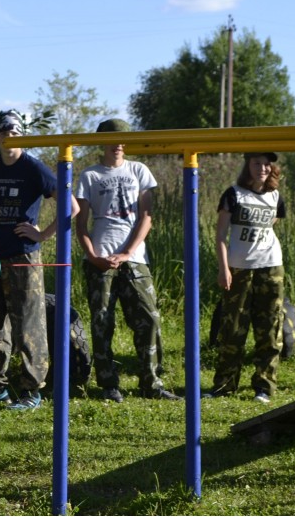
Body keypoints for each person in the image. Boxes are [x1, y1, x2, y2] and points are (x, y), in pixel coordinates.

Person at [0, 110, 73, 411]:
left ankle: (31, 390)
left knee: (28, 322)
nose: (9, 137)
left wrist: (43, 234)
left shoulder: (33, 168)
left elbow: (71, 205)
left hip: (24, 255)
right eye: (4, 132)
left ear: (23, 136)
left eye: (15, 133)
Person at [75, 118, 179, 403]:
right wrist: (92, 256)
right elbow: (80, 224)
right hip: (100, 257)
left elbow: (146, 217)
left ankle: (151, 382)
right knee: (102, 321)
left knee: (149, 317)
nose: (118, 144)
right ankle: (109, 384)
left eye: (123, 139)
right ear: (102, 142)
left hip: (135, 258)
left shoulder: (138, 170)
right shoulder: (90, 175)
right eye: (112, 139)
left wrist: (127, 252)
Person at [206, 151, 287, 403]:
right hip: (239, 269)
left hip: (271, 267)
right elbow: (221, 235)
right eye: (256, 163)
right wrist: (224, 268)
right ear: (248, 166)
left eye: (266, 164)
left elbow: (271, 224)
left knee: (270, 328)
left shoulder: (275, 196)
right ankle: (224, 385)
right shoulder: (233, 194)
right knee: (232, 328)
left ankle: (264, 386)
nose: (262, 168)